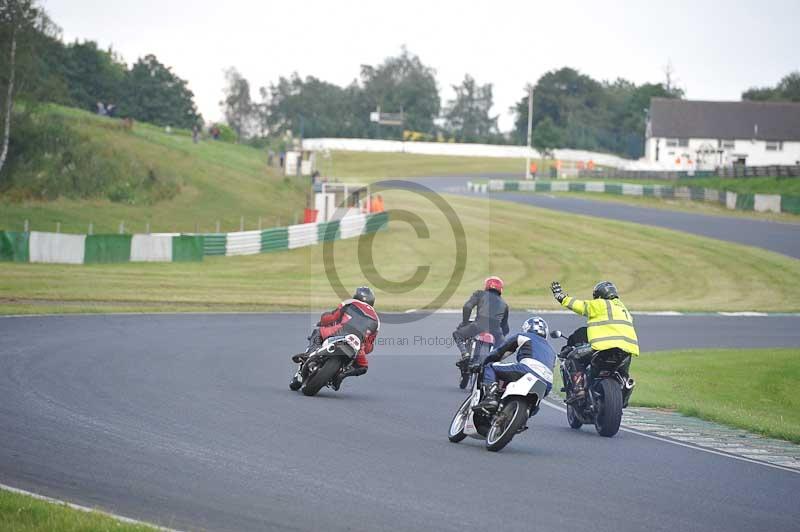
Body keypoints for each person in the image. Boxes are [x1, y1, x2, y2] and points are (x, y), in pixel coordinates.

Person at [550, 280, 638, 403]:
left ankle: (579, 389)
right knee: (623, 373)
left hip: (602, 348)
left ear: (600, 295)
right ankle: (625, 389)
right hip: (626, 350)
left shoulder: (601, 304)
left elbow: (580, 306)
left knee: (573, 357)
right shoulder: (624, 309)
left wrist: (561, 298)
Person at [290, 287, 379, 391]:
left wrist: (322, 321)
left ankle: (309, 353)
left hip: (340, 332)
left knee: (318, 332)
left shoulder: (351, 302)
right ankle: (341, 375)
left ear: (356, 296)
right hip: (357, 345)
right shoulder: (377, 320)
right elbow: (368, 346)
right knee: (362, 367)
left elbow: (332, 318)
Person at [475, 316, 556, 412]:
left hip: (527, 369)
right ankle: (523, 416)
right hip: (547, 382)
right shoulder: (552, 351)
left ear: (527, 328)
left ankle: (490, 398)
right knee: (533, 410)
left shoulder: (524, 336)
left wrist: (483, 363)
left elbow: (500, 352)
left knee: (490, 367)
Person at [452, 276, 509, 368]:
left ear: (486, 286)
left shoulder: (479, 294)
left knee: (457, 334)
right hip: (496, 331)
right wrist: (502, 336)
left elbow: (467, 307)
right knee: (501, 351)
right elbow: (505, 327)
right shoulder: (504, 304)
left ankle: (465, 354)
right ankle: (494, 365)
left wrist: (465, 323)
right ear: (500, 289)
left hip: (479, 325)